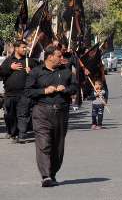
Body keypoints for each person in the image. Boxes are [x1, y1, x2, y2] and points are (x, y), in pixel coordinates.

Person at [25, 45, 78, 187]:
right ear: (49, 57)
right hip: (42, 111)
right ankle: (46, 176)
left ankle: (52, 172)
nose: (62, 58)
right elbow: (28, 91)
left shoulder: (66, 72)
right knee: (44, 143)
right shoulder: (36, 72)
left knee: (57, 146)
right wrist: (43, 91)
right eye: (59, 56)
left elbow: (75, 88)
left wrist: (65, 89)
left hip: (61, 112)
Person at [0, 40, 36, 143]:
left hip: (24, 93)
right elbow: (1, 72)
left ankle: (22, 135)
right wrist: (10, 68)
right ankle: (13, 133)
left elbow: (38, 74)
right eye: (23, 47)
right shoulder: (8, 61)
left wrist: (31, 72)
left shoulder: (30, 61)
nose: (25, 49)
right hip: (10, 94)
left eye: (26, 47)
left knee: (22, 114)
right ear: (16, 48)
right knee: (10, 115)